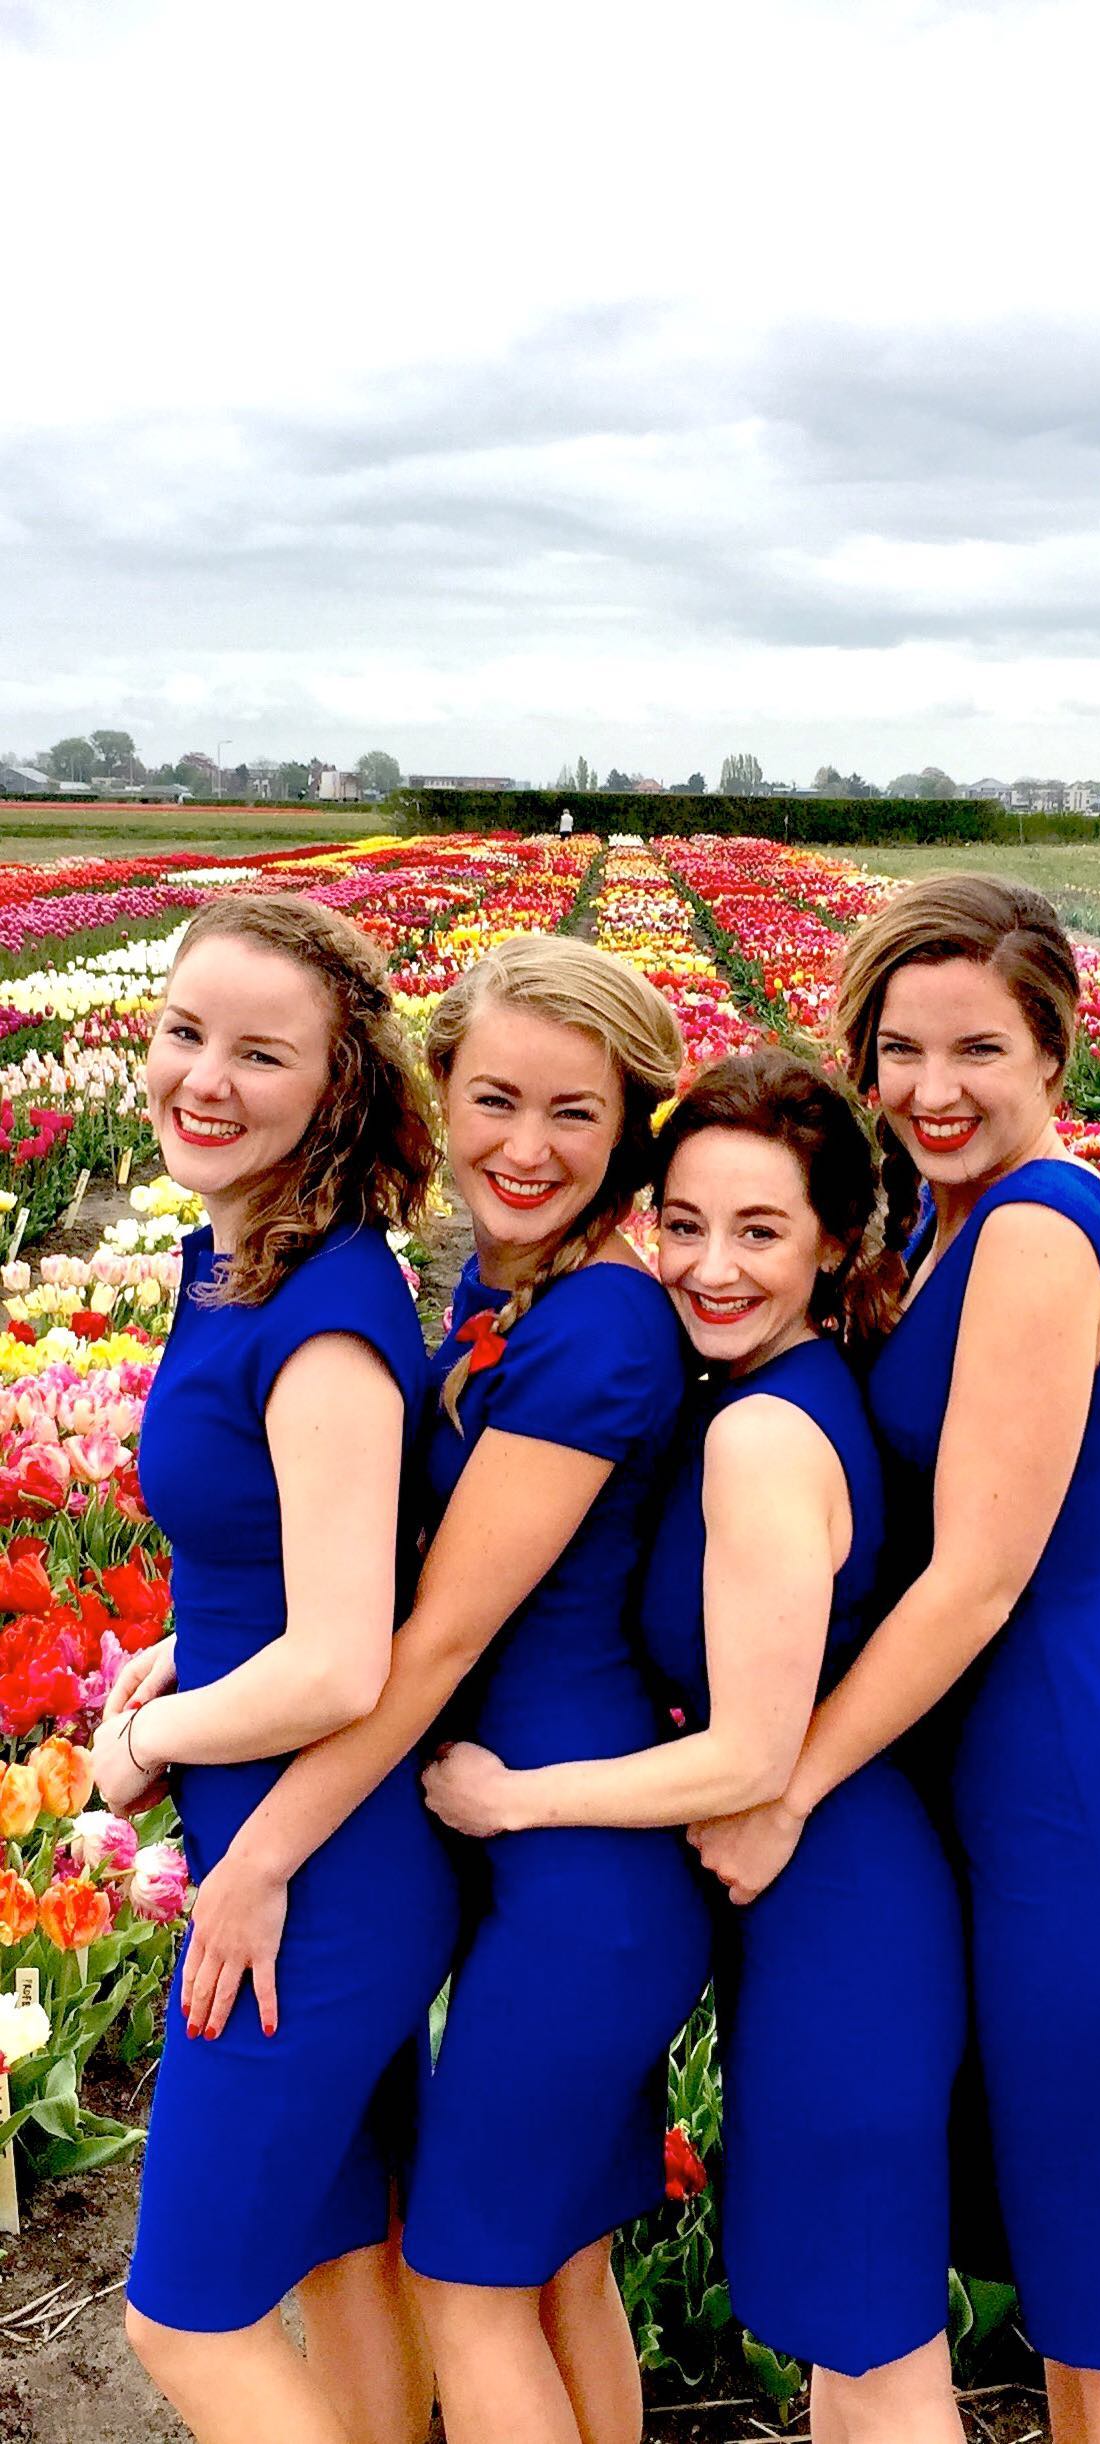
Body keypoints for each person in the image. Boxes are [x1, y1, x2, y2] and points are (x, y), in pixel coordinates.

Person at [691, 878, 1100, 2444]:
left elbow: (979, 1585)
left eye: (978, 1050)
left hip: (1069, 1799)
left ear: (1054, 1050)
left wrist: (786, 1784)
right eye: (901, 1050)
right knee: (1063, 2284)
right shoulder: (938, 1222)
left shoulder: (1044, 1230)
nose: (933, 1089)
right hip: (983, 1788)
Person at [173, 934, 713, 2444]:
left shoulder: (598, 1328)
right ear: (439, 1090)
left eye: (574, 1114)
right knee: (557, 2272)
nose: (524, 1149)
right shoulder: (515, 1281)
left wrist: (262, 1852)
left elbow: (435, 1643)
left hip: (571, 1874)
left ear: (634, 1127)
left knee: (467, 2287)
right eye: (494, 1100)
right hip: (538, 1852)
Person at [427, 1047, 967, 2444]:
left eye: (760, 1232)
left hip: (836, 1914)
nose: (710, 1268)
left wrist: (514, 1796)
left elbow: (748, 1762)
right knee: (848, 2337)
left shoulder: (759, 1440)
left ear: (834, 1244)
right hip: (806, 1899)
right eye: (683, 1223)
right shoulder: (766, 1386)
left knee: (876, 2345)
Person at [92, 893, 461, 2444]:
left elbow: (339, 1657)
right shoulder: (241, 1260)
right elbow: (300, 1556)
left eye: (261, 1053)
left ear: (338, 1087)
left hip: (318, 1871)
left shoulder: (324, 1318)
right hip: (295, 1847)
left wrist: (149, 1739)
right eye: (187, 1033)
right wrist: (186, 1641)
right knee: (345, 2255)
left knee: (180, 2321)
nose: (205, 1077)